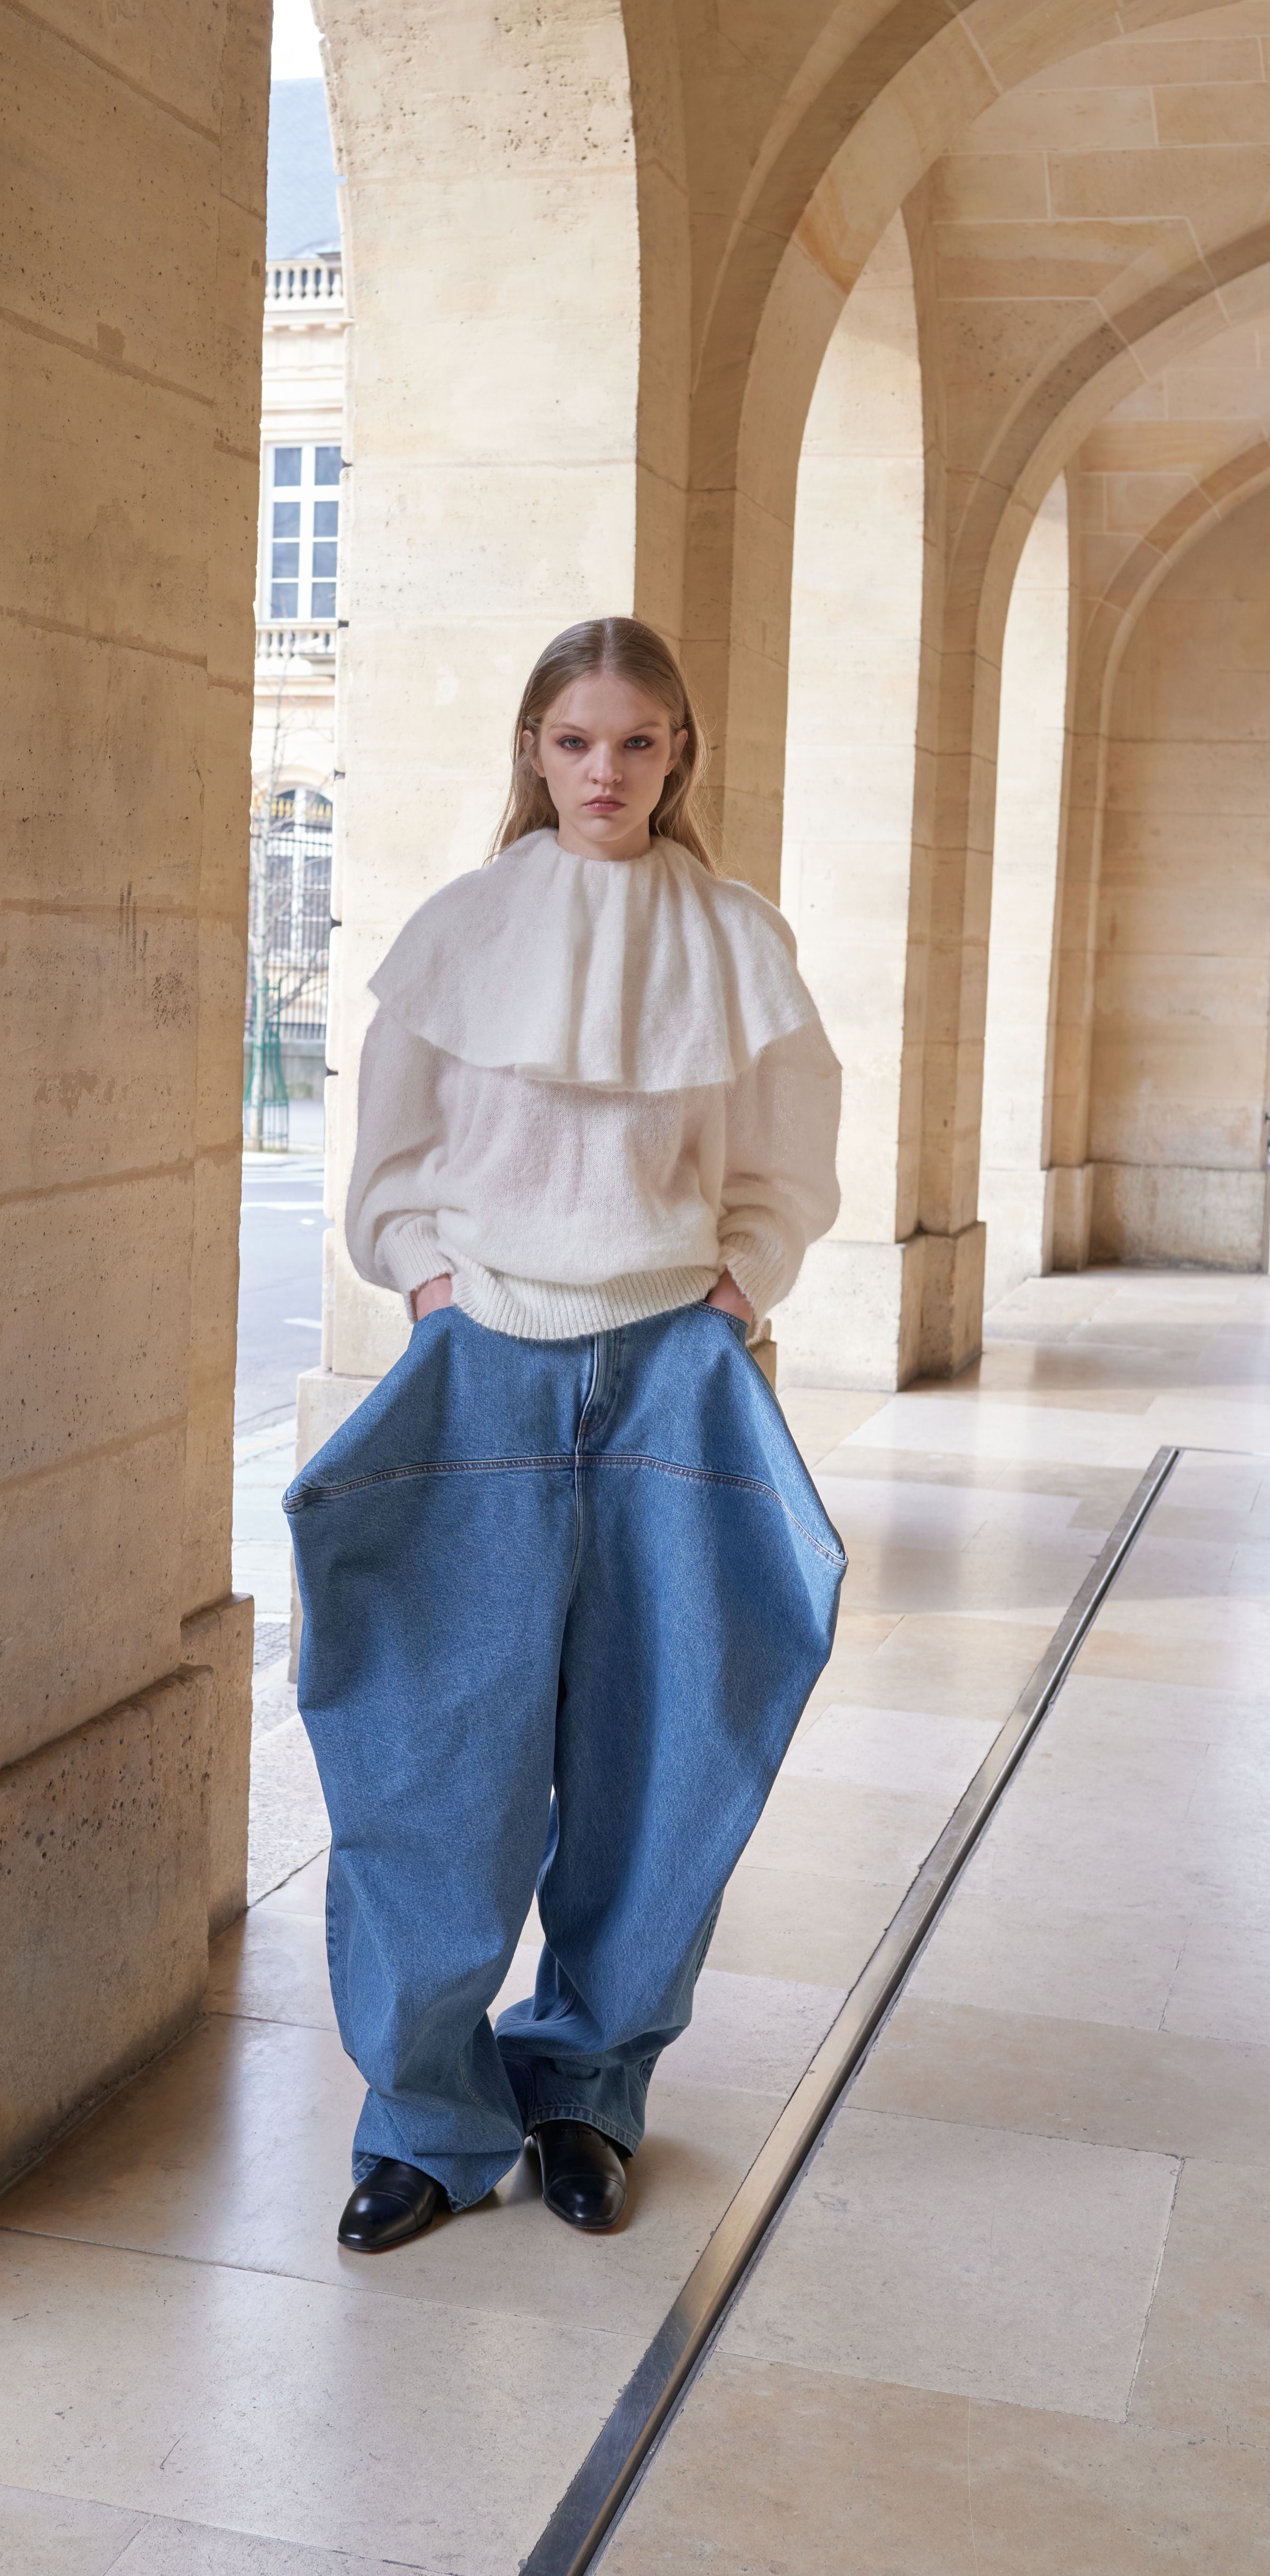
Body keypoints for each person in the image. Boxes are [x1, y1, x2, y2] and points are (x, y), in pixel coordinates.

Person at [283, 616, 847, 2253]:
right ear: (531, 751)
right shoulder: (460, 930)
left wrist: (736, 1299)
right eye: (575, 740)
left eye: (639, 742)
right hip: (485, 1368)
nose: (606, 771)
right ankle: (427, 2120)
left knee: (667, 1747)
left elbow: (783, 1156)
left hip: (673, 1361)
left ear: (681, 756)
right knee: (429, 1752)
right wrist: (436, 1286)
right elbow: (391, 1155)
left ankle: (588, 2085)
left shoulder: (740, 938)